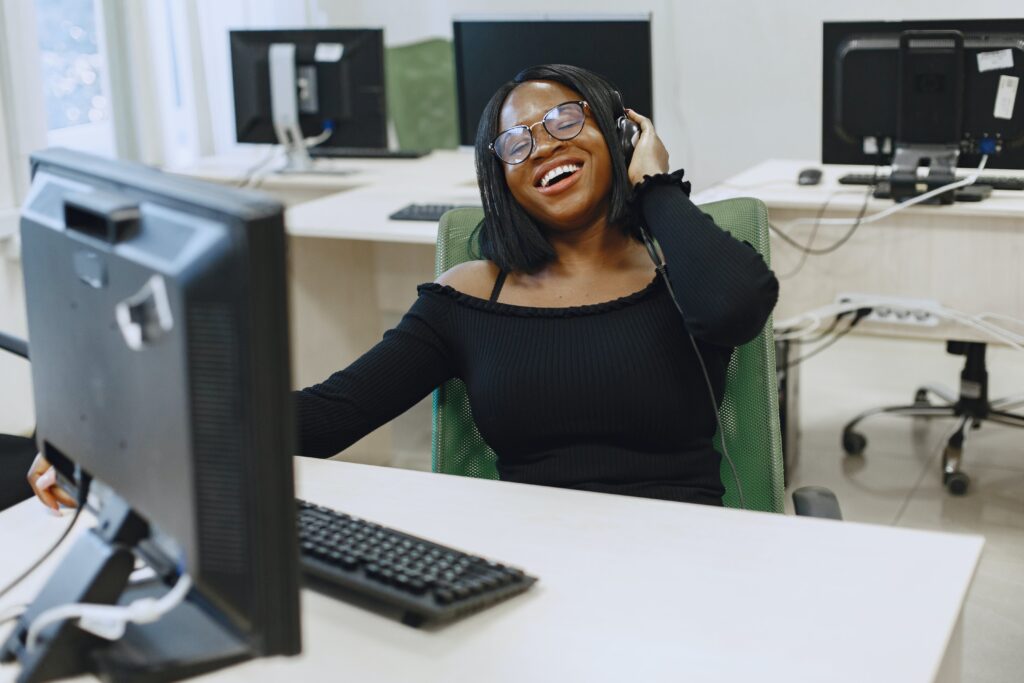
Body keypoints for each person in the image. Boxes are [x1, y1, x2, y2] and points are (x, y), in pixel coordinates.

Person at [28, 63, 778, 509]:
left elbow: (737, 309)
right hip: (543, 561)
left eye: (565, 118)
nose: (543, 144)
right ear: (502, 181)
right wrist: (126, 427)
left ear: (616, 130)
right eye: (515, 142)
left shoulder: (685, 264)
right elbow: (325, 417)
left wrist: (656, 189)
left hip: (687, 551)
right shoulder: (471, 294)